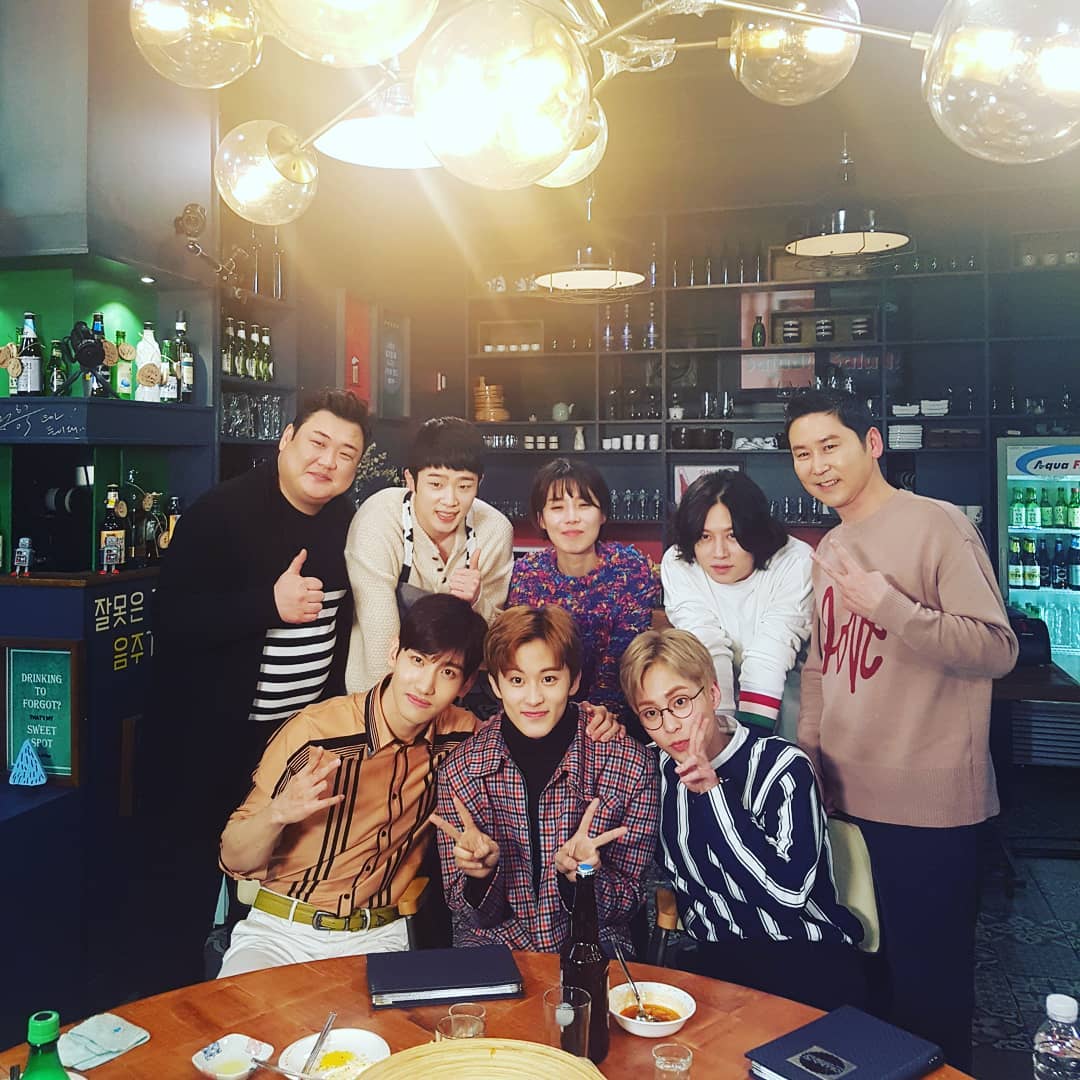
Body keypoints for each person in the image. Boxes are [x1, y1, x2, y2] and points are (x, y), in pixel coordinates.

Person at [786, 388, 1018, 1070]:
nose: (818, 465)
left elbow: (995, 649)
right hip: (844, 797)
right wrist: (810, 757)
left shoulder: (937, 525)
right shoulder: (832, 544)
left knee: (931, 992)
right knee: (867, 985)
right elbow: (822, 665)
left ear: (873, 443)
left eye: (831, 446)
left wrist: (891, 606)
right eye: (802, 453)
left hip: (928, 806)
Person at [140, 388, 371, 990]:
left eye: (346, 454)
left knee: (270, 900)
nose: (328, 461)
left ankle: (252, 1014)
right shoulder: (221, 512)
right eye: (318, 442)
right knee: (183, 897)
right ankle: (174, 1015)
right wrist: (268, 604)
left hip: (292, 748)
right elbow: (172, 620)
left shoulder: (349, 524)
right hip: (204, 745)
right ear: (286, 439)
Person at [216, 594, 488, 976]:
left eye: (447, 672)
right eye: (417, 660)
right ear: (394, 652)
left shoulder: (462, 736)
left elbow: (528, 726)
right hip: (281, 931)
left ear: (466, 684)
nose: (425, 685)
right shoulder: (314, 733)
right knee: (238, 1016)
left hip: (379, 935)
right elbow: (233, 859)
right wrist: (277, 814)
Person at [619, 627, 865, 1012]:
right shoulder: (651, 770)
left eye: (680, 702)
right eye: (651, 713)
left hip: (805, 953)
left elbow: (786, 896)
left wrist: (713, 794)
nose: (669, 725)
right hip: (715, 960)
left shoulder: (783, 766)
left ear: (713, 694)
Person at [432, 605, 658, 958]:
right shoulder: (461, 770)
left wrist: (583, 879)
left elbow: (629, 902)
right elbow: (466, 915)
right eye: (517, 680)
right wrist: (480, 876)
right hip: (494, 948)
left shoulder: (630, 765)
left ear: (574, 680)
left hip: (594, 945)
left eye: (549, 679)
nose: (533, 698)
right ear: (496, 685)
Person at [344, 416, 514, 695]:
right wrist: (392, 712)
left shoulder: (494, 530)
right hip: (379, 691)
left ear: (479, 483)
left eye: (464, 486)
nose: (450, 500)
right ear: (410, 480)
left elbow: (492, 643)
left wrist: (476, 602)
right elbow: (379, 635)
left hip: (458, 692)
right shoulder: (380, 519)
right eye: (436, 484)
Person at [508, 458, 658, 730]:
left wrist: (600, 714)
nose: (571, 518)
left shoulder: (630, 569)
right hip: (541, 708)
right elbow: (524, 656)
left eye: (584, 505)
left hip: (616, 718)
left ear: (602, 514)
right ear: (541, 519)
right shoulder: (527, 574)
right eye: (557, 507)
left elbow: (622, 656)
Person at [661, 470, 812, 739]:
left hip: (786, 691)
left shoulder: (795, 561)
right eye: (705, 537)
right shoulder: (678, 562)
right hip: (712, 689)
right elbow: (705, 644)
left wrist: (749, 744)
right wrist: (723, 735)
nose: (719, 553)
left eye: (732, 536)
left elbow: (770, 655)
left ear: (755, 530)